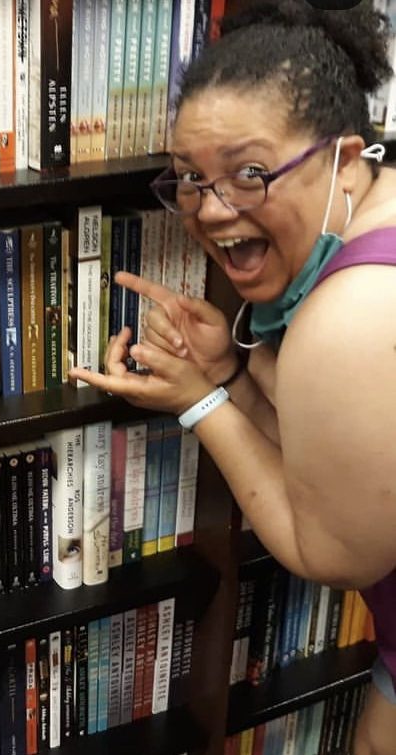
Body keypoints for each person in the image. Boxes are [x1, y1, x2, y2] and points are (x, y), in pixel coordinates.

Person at [68, 3, 396, 752]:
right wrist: (229, 374)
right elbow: (343, 467)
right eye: (188, 179)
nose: (212, 211)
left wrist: (199, 400)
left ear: (343, 157)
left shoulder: (350, 316)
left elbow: (333, 550)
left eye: (250, 173)